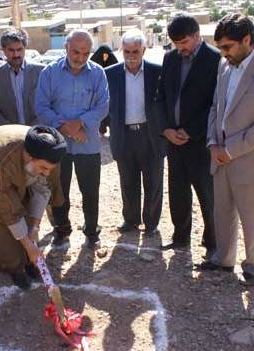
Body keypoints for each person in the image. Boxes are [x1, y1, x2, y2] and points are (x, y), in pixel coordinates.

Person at [195, 14, 254, 286]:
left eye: (227, 47)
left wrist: (230, 150)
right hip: (219, 156)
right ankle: (224, 259)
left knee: (251, 217)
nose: (223, 53)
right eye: (221, 47)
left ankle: (253, 266)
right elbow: (216, 108)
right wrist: (213, 143)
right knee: (222, 212)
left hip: (249, 160)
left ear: (247, 40)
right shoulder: (225, 66)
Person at [0, 125, 65, 289]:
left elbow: (43, 189)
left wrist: (34, 226)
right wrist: (28, 245)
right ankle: (16, 269)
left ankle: (30, 261)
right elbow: (8, 209)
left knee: (26, 225)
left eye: (49, 169)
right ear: (29, 156)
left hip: (10, 168)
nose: (47, 173)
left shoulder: (49, 155)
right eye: (43, 169)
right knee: (2, 225)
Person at [35, 29, 110, 248]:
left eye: (86, 53)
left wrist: (79, 123)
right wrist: (66, 127)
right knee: (59, 190)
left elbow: (103, 105)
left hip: (88, 145)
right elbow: (41, 106)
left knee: (90, 190)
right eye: (76, 52)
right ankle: (61, 230)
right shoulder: (49, 73)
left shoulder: (97, 73)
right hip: (57, 145)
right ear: (66, 48)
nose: (80, 58)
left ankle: (91, 230)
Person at [154, 14, 221, 259]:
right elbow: (160, 98)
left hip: (201, 142)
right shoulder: (170, 59)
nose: (180, 48)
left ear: (196, 35)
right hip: (174, 141)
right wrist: (166, 130)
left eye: (183, 42)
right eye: (175, 43)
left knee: (207, 193)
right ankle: (181, 237)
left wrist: (192, 130)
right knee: (178, 191)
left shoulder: (215, 59)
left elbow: (215, 103)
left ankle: (213, 243)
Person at [105, 29, 167, 236]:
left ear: (144, 50)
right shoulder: (110, 74)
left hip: (151, 136)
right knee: (128, 181)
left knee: (154, 182)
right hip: (124, 136)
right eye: (127, 52)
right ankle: (130, 221)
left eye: (135, 52)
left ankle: (151, 223)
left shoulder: (157, 72)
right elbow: (105, 104)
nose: (131, 57)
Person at [0, 28, 44, 126]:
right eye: (11, 50)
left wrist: (32, 129)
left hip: (38, 132)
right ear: (4, 51)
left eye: (19, 49)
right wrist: (11, 130)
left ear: (25, 48)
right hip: (10, 135)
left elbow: (48, 104)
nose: (16, 54)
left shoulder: (40, 72)